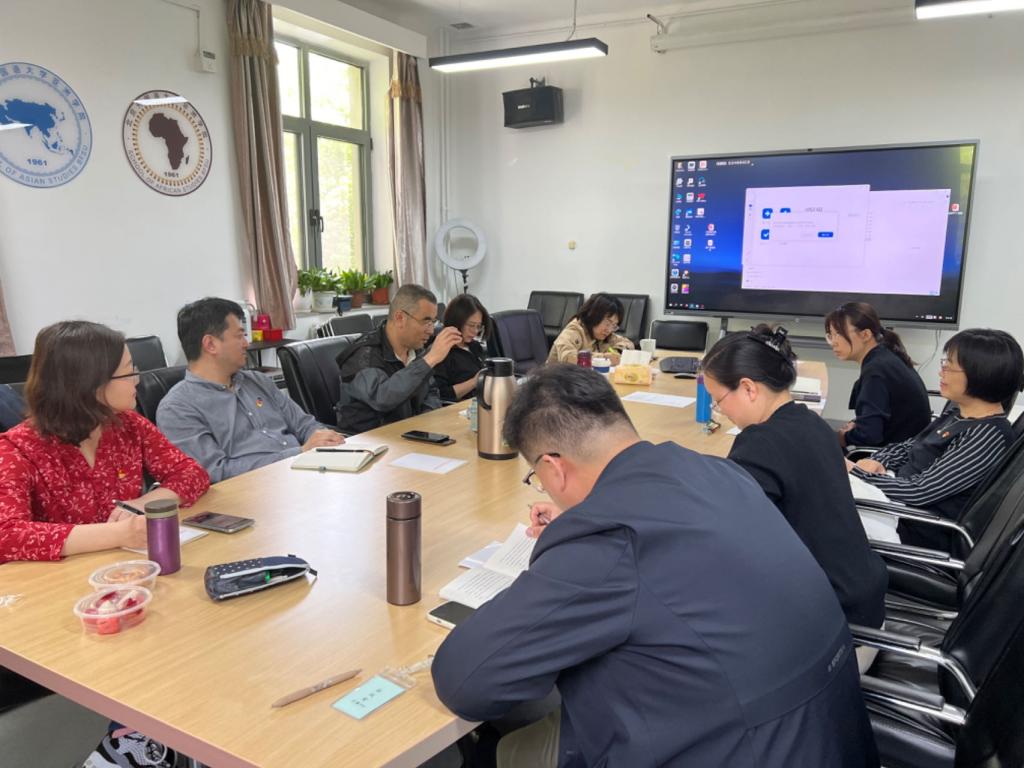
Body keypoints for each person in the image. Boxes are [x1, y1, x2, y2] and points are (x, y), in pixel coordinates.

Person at [432, 365, 879, 768]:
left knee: (499, 750)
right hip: (828, 734)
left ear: (552, 468)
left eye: (537, 479)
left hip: (738, 745)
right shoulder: (718, 472)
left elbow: (465, 681)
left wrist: (571, 550)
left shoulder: (608, 540)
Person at [702, 325, 888, 673]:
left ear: (748, 388)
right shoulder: (810, 422)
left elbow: (729, 545)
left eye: (718, 399)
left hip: (834, 634)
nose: (719, 410)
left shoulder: (760, 443)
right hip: (865, 604)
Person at [0, 320, 209, 563]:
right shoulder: (16, 450)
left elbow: (191, 474)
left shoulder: (127, 424)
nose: (137, 380)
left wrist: (143, 503)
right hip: (62, 578)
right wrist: (119, 534)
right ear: (90, 383)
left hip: (129, 568)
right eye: (129, 372)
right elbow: (6, 534)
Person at [849, 328, 1024, 552]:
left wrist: (858, 474)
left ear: (982, 374)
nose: (942, 372)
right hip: (893, 501)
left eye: (949, 366)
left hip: (912, 526)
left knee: (818, 499)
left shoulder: (987, 436)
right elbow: (910, 446)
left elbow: (920, 491)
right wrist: (879, 461)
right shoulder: (958, 414)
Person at [157, 298, 344, 483]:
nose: (246, 343)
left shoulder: (257, 380)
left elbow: (304, 424)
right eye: (239, 336)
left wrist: (324, 439)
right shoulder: (177, 408)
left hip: (305, 474)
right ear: (210, 344)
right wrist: (298, 453)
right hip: (253, 490)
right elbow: (215, 472)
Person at [335, 284, 462, 433]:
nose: (431, 330)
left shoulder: (415, 349)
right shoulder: (364, 355)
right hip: (370, 441)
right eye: (426, 322)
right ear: (400, 318)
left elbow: (431, 392)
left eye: (433, 322)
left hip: (408, 436)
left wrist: (426, 422)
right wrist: (430, 358)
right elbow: (382, 398)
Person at [825, 302, 931, 449]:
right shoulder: (886, 356)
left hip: (893, 454)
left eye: (839, 334)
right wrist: (857, 425)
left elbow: (869, 435)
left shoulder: (876, 371)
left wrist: (843, 437)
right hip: (911, 446)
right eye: (831, 335)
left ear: (865, 335)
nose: (834, 343)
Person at [546, 293, 635, 365]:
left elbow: (629, 344)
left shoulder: (604, 335)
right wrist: (604, 358)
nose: (609, 330)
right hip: (556, 380)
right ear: (594, 315)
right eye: (607, 323)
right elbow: (568, 358)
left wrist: (616, 352)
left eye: (614, 325)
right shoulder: (573, 331)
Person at [432, 294, 491, 402]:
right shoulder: (442, 352)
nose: (475, 331)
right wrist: (474, 382)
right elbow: (441, 395)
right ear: (457, 321)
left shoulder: (475, 346)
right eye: (471, 325)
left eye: (478, 326)